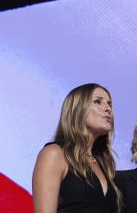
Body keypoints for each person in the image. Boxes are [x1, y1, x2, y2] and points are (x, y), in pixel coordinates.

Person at [32, 83, 122, 213]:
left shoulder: (102, 163)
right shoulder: (54, 154)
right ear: (78, 109)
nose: (108, 108)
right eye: (98, 102)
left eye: (109, 104)